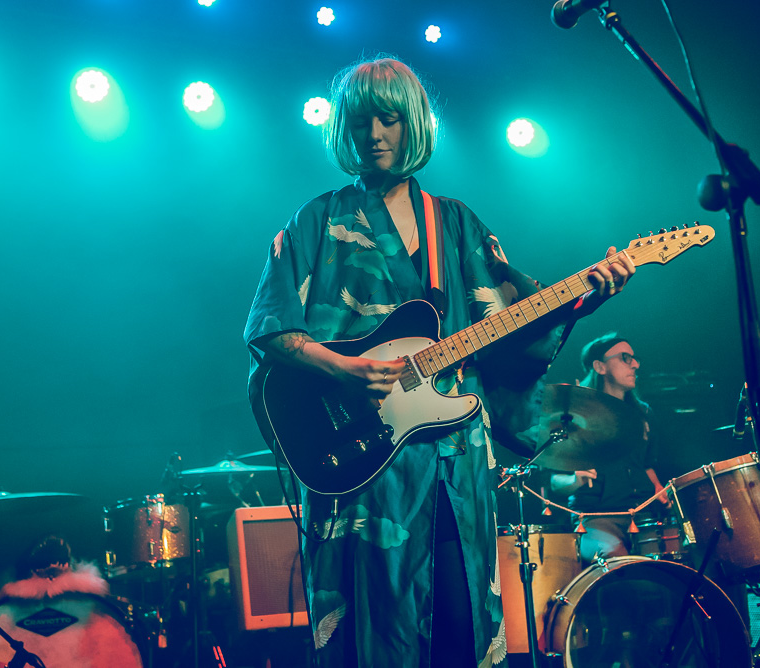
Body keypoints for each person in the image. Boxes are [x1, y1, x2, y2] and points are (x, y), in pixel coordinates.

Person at [243, 56, 635, 667]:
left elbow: (517, 328)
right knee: (372, 628)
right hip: (363, 465)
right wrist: (345, 369)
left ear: (413, 125)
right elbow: (270, 332)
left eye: (389, 119)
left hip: (456, 466)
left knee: (458, 617)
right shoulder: (315, 222)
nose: (373, 134)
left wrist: (583, 301)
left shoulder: (457, 224)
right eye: (359, 121)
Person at [551, 333, 669, 562]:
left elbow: (646, 464)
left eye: (634, 358)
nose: (635, 364)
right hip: (596, 519)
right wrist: (575, 481)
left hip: (642, 512)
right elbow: (554, 481)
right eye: (625, 358)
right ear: (600, 366)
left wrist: (657, 487)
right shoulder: (573, 415)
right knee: (617, 561)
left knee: (669, 563)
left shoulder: (643, 413)